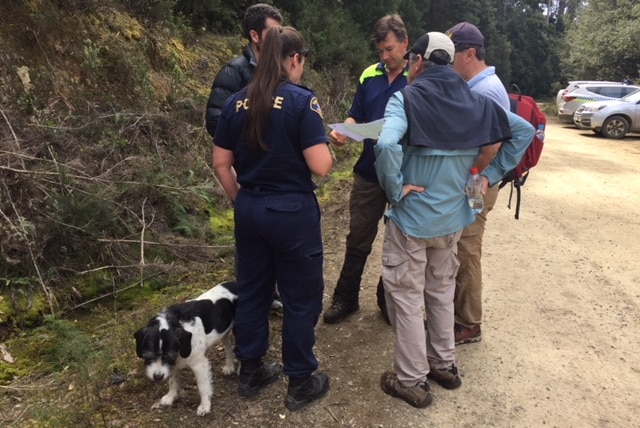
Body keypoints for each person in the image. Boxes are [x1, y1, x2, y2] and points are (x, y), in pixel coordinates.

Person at [374, 32, 535, 408]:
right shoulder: (476, 100)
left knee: (408, 297)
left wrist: (396, 189)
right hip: (452, 218)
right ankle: (443, 364)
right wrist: (488, 175)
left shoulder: (406, 97)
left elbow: (384, 145)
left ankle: (412, 380)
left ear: (417, 62)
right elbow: (523, 132)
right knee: (441, 291)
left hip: (412, 220)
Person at [213, 26, 333, 411]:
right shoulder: (302, 102)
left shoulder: (234, 103)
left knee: (253, 291)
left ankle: (251, 370)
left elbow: (221, 163)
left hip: (250, 208)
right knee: (300, 297)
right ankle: (300, 381)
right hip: (292, 212)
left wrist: (241, 200)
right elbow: (321, 167)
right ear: (294, 60)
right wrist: (331, 145)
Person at [322, 14, 409, 324]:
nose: (385, 57)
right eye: (380, 52)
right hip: (369, 172)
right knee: (358, 236)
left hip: (404, 173)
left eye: (389, 49)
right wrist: (344, 130)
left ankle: (388, 302)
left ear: (405, 43)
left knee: (400, 241)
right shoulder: (370, 75)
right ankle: (346, 298)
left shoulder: (419, 75)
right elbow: (355, 115)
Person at [446, 22, 511, 345]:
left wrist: (471, 175)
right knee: (462, 246)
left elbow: (490, 146)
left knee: (467, 247)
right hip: (476, 179)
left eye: (452, 54)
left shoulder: (484, 90)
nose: (448, 62)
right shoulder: (480, 85)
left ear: (470, 54)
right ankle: (459, 316)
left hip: (475, 183)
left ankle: (469, 323)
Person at [205, 3, 283, 138]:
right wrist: (253, 140)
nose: (279, 40)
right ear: (255, 36)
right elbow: (215, 121)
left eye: (280, 33)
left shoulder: (280, 72)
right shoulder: (232, 72)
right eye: (273, 34)